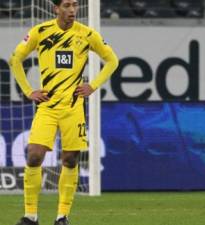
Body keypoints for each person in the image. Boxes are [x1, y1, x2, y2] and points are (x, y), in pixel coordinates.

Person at [9, 0, 119, 224]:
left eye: (75, 5)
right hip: (47, 108)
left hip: (73, 108)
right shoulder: (41, 32)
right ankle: (30, 215)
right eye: (67, 5)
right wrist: (28, 91)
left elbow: (112, 60)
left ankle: (62, 216)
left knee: (70, 160)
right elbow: (15, 59)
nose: (72, 10)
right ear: (56, 9)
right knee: (34, 156)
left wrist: (93, 85)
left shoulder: (87, 34)